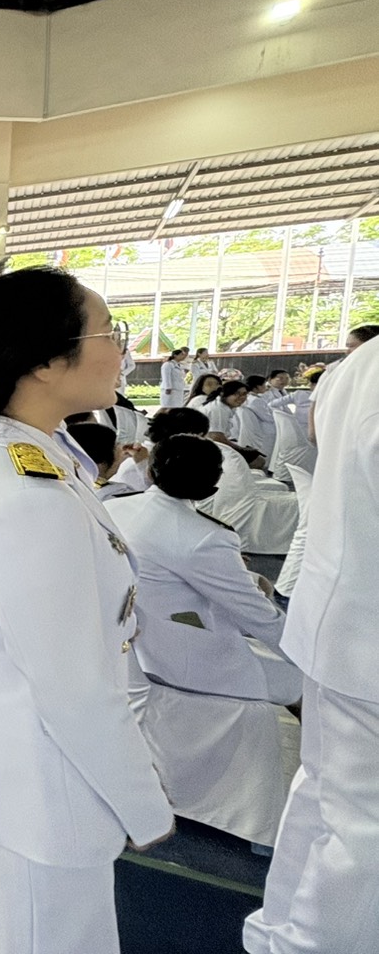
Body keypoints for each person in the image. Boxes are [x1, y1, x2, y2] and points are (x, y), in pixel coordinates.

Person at [0, 267, 174, 954]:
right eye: (109, 332)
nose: (121, 348)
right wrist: (145, 806)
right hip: (30, 793)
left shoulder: (39, 453)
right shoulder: (31, 493)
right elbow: (74, 686)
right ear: (48, 362)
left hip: (10, 770)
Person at [244, 338, 379, 954]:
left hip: (340, 618)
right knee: (362, 833)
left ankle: (280, 930)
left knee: (324, 795)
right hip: (364, 633)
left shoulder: (361, 365)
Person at [105, 435, 298, 705]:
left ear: (150, 471)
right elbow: (256, 614)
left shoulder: (111, 507)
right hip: (186, 659)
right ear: (213, 484)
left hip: (128, 649)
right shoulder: (206, 537)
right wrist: (309, 657)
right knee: (301, 684)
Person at [66, 422, 139, 501]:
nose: (121, 453)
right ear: (100, 464)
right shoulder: (114, 496)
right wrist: (142, 464)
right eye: (115, 448)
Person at [235, 375, 278, 455]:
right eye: (264, 385)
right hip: (262, 431)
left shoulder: (248, 398)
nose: (266, 387)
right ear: (257, 387)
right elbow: (268, 418)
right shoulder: (255, 401)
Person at [199, 379, 248, 446]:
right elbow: (216, 437)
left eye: (244, 394)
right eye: (237, 394)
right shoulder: (218, 409)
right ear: (224, 394)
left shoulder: (226, 407)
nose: (241, 397)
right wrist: (241, 449)